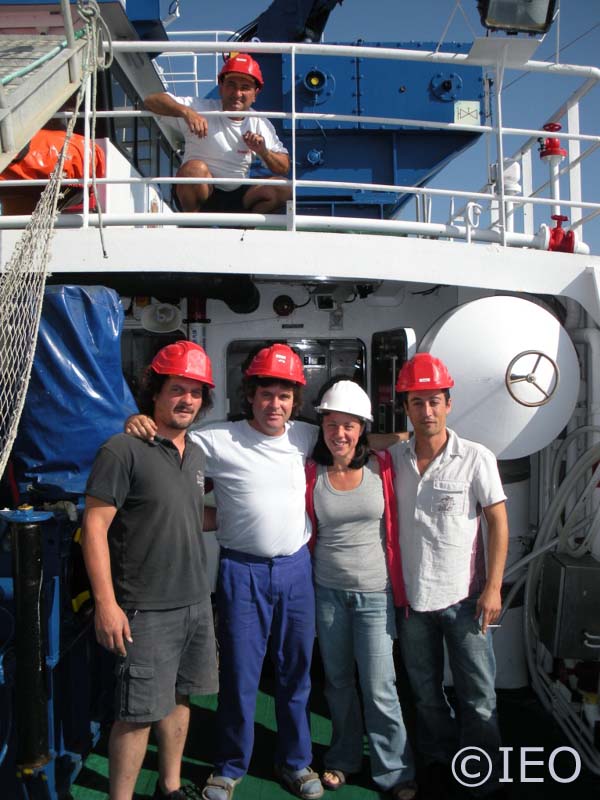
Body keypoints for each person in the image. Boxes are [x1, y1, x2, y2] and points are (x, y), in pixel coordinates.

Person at [126, 343, 323, 800]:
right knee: (239, 675)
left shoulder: (306, 438)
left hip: (296, 571)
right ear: (249, 396)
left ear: (296, 401)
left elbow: (355, 441)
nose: (275, 405)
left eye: (285, 396)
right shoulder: (217, 439)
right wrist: (136, 424)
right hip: (242, 572)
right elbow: (165, 439)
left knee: (297, 673)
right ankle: (231, 766)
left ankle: (296, 763)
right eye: (266, 394)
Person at [81, 341, 219, 800]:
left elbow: (181, 512)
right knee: (136, 712)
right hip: (144, 610)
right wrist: (106, 604)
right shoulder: (123, 449)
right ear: (154, 393)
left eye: (196, 393)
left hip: (196, 602)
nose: (187, 401)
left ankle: (171, 787)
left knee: (180, 699)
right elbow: (95, 527)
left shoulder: (195, 453)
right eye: (177, 389)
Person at [389, 353, 509, 798]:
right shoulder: (395, 458)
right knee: (425, 693)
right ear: (407, 407)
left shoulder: (476, 458)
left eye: (434, 402)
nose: (427, 412)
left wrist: (493, 588)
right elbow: (363, 441)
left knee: (479, 696)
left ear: (449, 404)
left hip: (466, 600)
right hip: (414, 603)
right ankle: (439, 760)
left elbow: (498, 522)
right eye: (417, 403)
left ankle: (482, 774)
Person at [304, 379, 417, 799]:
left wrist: (375, 439)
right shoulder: (311, 472)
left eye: (350, 425)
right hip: (327, 593)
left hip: (374, 594)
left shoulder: (383, 466)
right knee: (337, 682)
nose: (340, 434)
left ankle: (396, 771)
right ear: (322, 427)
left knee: (380, 684)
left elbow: (408, 436)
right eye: (332, 424)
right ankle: (344, 758)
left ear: (363, 428)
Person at [144, 54, 291, 214]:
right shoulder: (200, 107)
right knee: (194, 169)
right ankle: (193, 225)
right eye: (231, 85)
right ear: (221, 87)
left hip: (238, 196)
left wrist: (263, 152)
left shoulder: (259, 123)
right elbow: (151, 101)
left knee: (283, 188)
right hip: (202, 193)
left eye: (245, 88)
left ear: (255, 94)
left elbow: (283, 167)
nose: (237, 93)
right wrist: (186, 112)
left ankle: (243, 229)